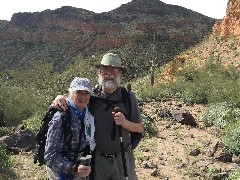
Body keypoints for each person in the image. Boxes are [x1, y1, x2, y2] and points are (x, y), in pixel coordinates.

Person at [52, 53, 143, 180]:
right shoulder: (91, 97)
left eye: (114, 70)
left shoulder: (128, 98)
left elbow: (139, 128)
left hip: (123, 158)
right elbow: (76, 100)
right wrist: (60, 98)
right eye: (105, 70)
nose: (109, 74)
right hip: (97, 159)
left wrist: (125, 123)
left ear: (120, 73)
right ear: (100, 72)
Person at [45, 77, 95, 180]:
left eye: (86, 93)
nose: (83, 97)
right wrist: (73, 168)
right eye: (79, 92)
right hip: (60, 173)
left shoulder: (87, 114)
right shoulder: (61, 118)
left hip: (79, 169)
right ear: (71, 93)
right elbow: (50, 156)